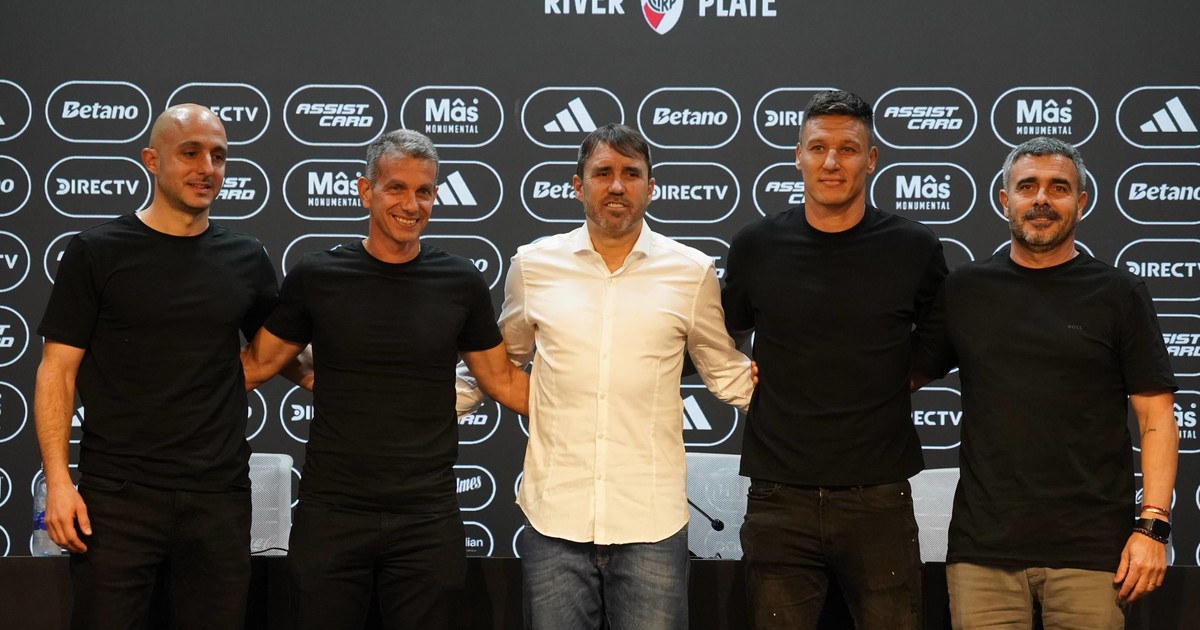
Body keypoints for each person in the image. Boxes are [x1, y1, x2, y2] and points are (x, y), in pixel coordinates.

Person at [240, 128, 529, 630]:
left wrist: (595, 413)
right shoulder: (317, 276)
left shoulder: (460, 281)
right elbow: (259, 363)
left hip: (427, 514)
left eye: (424, 191)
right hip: (332, 510)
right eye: (396, 187)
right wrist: (310, 377)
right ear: (365, 190)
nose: (411, 204)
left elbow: (502, 380)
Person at [913, 137, 1178, 629]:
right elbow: (899, 376)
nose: (1041, 199)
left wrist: (1153, 526)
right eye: (1027, 186)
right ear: (1004, 200)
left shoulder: (1119, 294)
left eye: (1058, 188)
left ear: (1081, 202)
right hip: (983, 549)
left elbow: (1156, 417)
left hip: (1093, 549)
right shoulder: (965, 290)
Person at [497, 123, 753, 630]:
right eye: (603, 173)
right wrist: (422, 403)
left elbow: (725, 373)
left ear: (650, 187)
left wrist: (806, 395)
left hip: (651, 522)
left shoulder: (691, 272)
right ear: (578, 185)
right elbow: (496, 363)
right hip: (554, 516)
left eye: (631, 174)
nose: (617, 185)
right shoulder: (532, 267)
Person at [34, 104, 279, 629]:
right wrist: (58, 481)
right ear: (152, 160)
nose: (206, 168)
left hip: (219, 497)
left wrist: (376, 381)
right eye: (190, 153)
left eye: (218, 156)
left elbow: (280, 356)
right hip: (118, 497)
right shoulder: (97, 252)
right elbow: (57, 371)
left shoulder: (247, 258)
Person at [721, 90, 946, 629]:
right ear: (797, 155)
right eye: (818, 147)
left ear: (871, 159)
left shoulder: (914, 248)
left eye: (848, 149)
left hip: (879, 494)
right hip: (779, 494)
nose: (831, 162)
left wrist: (895, 376)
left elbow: (941, 340)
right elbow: (719, 334)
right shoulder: (756, 245)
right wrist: (736, 374)